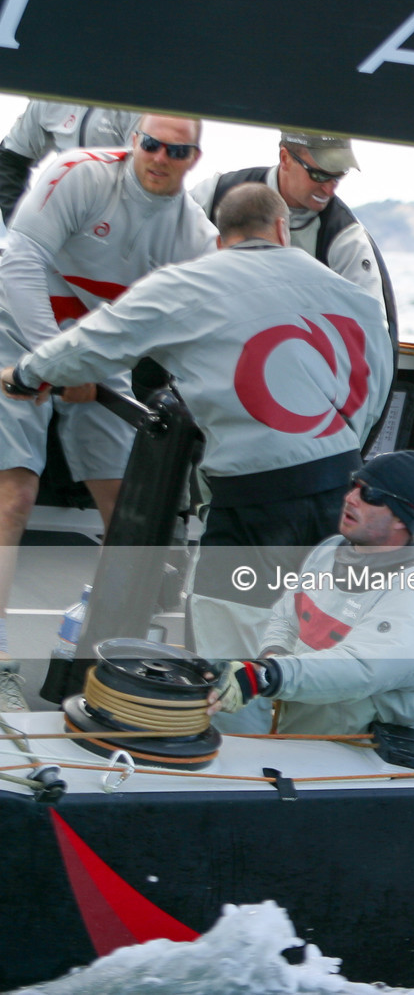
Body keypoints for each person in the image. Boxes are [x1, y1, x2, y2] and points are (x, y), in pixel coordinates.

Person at [1, 184, 392, 727]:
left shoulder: (191, 283)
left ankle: (237, 767)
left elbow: (94, 343)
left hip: (255, 502)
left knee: (227, 659)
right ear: (283, 231)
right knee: (310, 639)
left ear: (219, 239)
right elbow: (377, 386)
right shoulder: (352, 295)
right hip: (343, 493)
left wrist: (26, 374)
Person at [0, 114, 214, 710]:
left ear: (193, 158)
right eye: (151, 144)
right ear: (133, 143)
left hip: (96, 356)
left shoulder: (193, 234)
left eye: (177, 150)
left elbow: (195, 324)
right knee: (13, 498)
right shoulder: (74, 176)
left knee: (129, 513)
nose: (160, 158)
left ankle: (103, 652)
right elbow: (18, 261)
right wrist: (54, 366)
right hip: (17, 337)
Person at [206, 450, 414, 737]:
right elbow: (287, 617)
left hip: (370, 763)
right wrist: (274, 655)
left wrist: (265, 676)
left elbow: (358, 670)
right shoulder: (330, 551)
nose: (350, 498)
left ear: (403, 517)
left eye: (370, 494)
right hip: (306, 745)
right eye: (354, 485)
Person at [190, 131, 395, 336]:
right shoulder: (213, 194)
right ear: (285, 158)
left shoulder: (346, 239)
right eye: (320, 175)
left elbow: (371, 333)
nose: (329, 190)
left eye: (338, 175)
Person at [0, 99, 140, 222]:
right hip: (59, 222)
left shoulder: (137, 101)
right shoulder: (52, 92)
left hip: (114, 230)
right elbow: (9, 159)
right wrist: (19, 226)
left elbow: (141, 184)